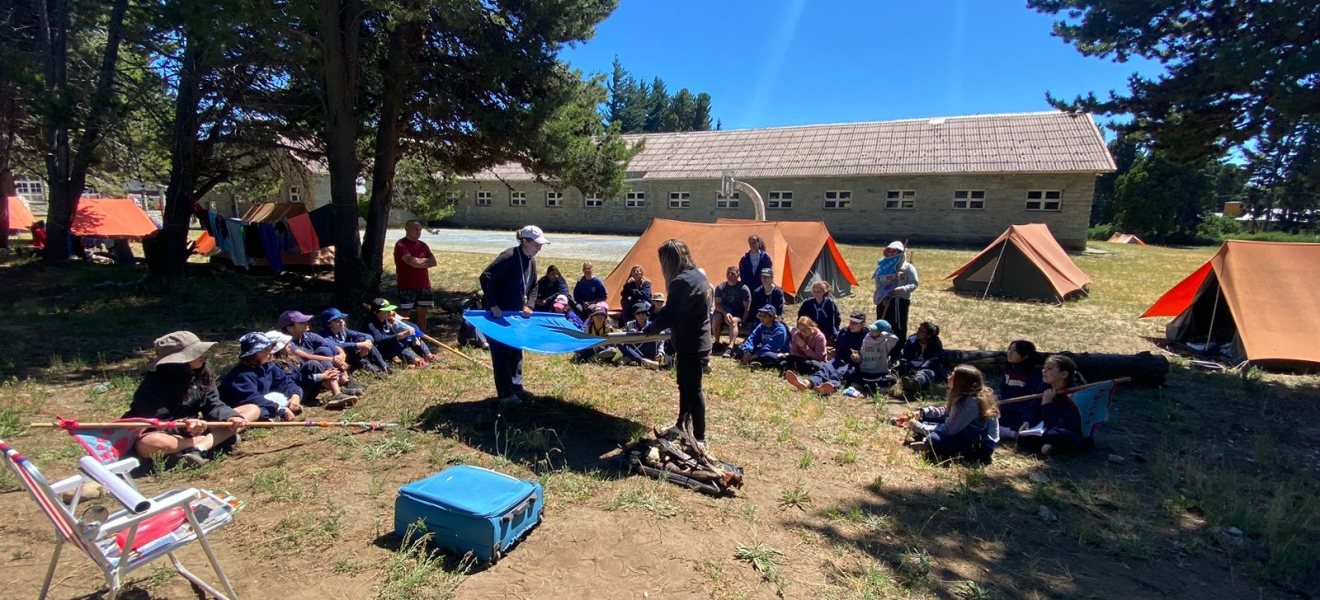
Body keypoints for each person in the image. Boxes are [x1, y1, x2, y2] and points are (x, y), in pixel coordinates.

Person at [123, 331, 247, 466]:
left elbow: (213, 404)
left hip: (195, 428)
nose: (203, 356)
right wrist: (186, 425)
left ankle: (199, 448)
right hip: (168, 433)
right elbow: (158, 424)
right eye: (196, 353)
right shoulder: (150, 387)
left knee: (248, 411)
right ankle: (207, 442)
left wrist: (230, 417)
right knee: (153, 443)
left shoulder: (202, 373)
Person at [644, 239, 713, 444]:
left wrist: (651, 329)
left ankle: (699, 438)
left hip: (690, 342)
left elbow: (670, 313)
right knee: (685, 385)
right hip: (697, 339)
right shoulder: (698, 277)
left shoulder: (681, 282)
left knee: (693, 389)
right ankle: (682, 425)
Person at [479, 225, 548, 404]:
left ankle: (517, 387)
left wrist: (530, 305)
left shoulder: (530, 260)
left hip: (516, 314)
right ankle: (505, 393)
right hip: (498, 314)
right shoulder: (509, 256)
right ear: (525, 241)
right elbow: (485, 276)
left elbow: (534, 285)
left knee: (516, 350)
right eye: (536, 244)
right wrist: (493, 304)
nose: (539, 248)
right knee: (501, 353)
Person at [906, 365, 1000, 463]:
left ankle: (928, 444)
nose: (948, 378)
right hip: (966, 434)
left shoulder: (968, 403)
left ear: (961, 382)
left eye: (952, 377)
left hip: (979, 448)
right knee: (923, 419)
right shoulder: (966, 396)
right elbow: (948, 411)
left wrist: (920, 427)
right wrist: (924, 412)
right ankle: (927, 442)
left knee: (934, 438)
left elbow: (949, 430)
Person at [787, 320, 897, 396]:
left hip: (860, 368)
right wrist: (857, 358)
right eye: (851, 322)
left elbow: (894, 338)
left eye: (875, 330)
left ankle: (826, 388)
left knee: (839, 373)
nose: (871, 331)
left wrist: (884, 334)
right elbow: (863, 357)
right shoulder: (866, 338)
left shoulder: (884, 342)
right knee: (826, 368)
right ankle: (808, 383)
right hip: (844, 360)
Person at [279, 310, 366, 397]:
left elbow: (332, 346)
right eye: (302, 322)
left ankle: (342, 387)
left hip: (321, 371)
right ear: (290, 328)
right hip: (305, 376)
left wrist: (341, 354)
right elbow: (306, 357)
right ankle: (343, 385)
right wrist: (333, 360)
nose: (306, 323)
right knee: (316, 361)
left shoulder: (308, 336)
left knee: (324, 351)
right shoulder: (287, 343)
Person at [218, 332, 302, 421]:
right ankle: (273, 416)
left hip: (263, 400)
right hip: (240, 407)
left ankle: (276, 415)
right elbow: (252, 398)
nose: (271, 353)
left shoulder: (269, 366)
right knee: (260, 411)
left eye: (271, 349)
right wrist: (280, 409)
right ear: (254, 354)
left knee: (290, 398)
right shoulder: (241, 375)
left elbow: (286, 383)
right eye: (266, 350)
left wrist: (295, 395)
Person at [267, 330, 359, 409]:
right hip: (294, 393)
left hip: (304, 387)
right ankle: (337, 392)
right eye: (285, 344)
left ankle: (337, 392)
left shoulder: (290, 356)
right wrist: (320, 376)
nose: (290, 345)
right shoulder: (275, 364)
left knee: (323, 362)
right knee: (313, 364)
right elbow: (291, 380)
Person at [1018, 355, 1088, 456]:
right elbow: (1033, 409)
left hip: (1067, 430)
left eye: (1049, 368)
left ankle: (1055, 447)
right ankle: (1049, 448)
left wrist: (1047, 404)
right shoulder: (1044, 386)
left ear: (1063, 374)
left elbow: (1060, 423)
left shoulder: (1074, 394)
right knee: (1023, 436)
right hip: (1046, 427)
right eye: (1044, 368)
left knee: (1059, 435)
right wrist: (1027, 421)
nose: (1043, 371)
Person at [873, 241, 918, 359]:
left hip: (899, 301)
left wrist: (901, 289)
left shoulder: (908, 267)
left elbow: (914, 284)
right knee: (882, 325)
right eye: (890, 250)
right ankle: (881, 350)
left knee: (898, 326)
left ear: (900, 252)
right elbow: (878, 282)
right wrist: (883, 296)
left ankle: (897, 353)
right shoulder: (883, 266)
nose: (892, 253)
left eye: (895, 251)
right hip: (884, 300)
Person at [394, 220, 438, 331]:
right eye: (415, 229)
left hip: (423, 285)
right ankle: (404, 336)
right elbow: (411, 262)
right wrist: (423, 262)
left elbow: (433, 262)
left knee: (422, 312)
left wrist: (418, 262)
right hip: (406, 285)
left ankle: (422, 336)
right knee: (405, 314)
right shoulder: (401, 245)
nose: (418, 232)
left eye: (420, 230)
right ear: (407, 229)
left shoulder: (423, 245)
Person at [998, 340, 1045, 439]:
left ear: (1025, 355)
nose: (1009, 353)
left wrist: (1027, 419)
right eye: (1009, 349)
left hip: (1019, 410)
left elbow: (1032, 401)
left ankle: (1007, 432)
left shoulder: (1032, 375)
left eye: (1014, 351)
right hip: (1004, 404)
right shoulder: (1008, 369)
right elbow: (1002, 389)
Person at [320, 308, 389, 375]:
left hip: (351, 357)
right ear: (328, 324)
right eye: (337, 320)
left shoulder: (343, 331)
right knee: (354, 349)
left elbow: (367, 336)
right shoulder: (324, 336)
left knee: (364, 340)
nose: (341, 321)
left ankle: (383, 365)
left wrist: (366, 344)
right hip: (340, 360)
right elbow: (335, 345)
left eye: (341, 318)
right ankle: (374, 371)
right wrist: (359, 345)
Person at [363, 298, 430, 367]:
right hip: (381, 352)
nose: (389, 312)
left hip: (391, 346)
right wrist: (400, 335)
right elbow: (379, 340)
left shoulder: (388, 319)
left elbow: (409, 325)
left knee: (411, 336)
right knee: (396, 343)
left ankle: (428, 355)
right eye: (386, 310)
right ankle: (416, 361)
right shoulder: (371, 324)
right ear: (376, 312)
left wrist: (414, 335)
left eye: (389, 309)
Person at [895, 321, 946, 396]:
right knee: (908, 373)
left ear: (928, 335)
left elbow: (936, 359)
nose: (917, 332)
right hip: (911, 367)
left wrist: (923, 366)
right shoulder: (911, 340)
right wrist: (908, 364)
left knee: (929, 373)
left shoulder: (935, 343)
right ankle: (909, 384)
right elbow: (904, 356)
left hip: (927, 368)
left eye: (921, 331)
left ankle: (917, 383)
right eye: (918, 329)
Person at [711, 266, 752, 356]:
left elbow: (746, 308)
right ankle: (717, 343)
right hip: (724, 313)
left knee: (733, 321)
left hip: (737, 314)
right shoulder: (720, 287)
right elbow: (717, 305)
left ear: (738, 275)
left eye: (732, 273)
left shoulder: (743, 289)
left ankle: (730, 347)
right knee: (716, 317)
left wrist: (743, 321)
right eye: (728, 273)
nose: (730, 275)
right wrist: (725, 313)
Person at [736, 305, 790, 370]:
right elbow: (753, 338)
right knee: (742, 347)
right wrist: (748, 351)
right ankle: (756, 362)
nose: (761, 318)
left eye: (764, 316)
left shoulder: (780, 329)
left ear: (771, 317)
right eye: (760, 315)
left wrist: (755, 356)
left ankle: (756, 361)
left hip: (776, 351)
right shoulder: (762, 325)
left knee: (767, 355)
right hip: (763, 350)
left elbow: (771, 347)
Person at [797, 281, 841, 346]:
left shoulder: (830, 303)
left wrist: (833, 331)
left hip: (827, 329)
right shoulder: (808, 303)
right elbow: (801, 317)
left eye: (818, 292)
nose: (816, 294)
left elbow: (836, 318)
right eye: (814, 292)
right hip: (812, 329)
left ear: (824, 292)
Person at [622, 302, 664, 369]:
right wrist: (631, 335)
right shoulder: (629, 325)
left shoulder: (652, 325)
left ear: (646, 314)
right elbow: (625, 341)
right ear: (635, 315)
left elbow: (661, 339)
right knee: (620, 343)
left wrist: (660, 352)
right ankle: (642, 360)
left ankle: (631, 358)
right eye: (638, 313)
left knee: (653, 339)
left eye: (643, 313)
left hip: (648, 349)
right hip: (635, 348)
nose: (641, 315)